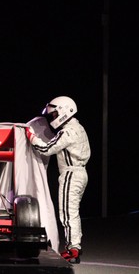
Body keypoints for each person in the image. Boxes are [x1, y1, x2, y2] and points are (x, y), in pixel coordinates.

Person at [25, 96, 90, 264]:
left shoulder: (67, 131)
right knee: (72, 212)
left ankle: (73, 248)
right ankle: (74, 246)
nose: (53, 118)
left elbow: (47, 149)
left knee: (68, 213)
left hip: (71, 173)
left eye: (54, 115)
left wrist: (31, 137)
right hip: (80, 172)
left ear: (63, 112)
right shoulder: (78, 127)